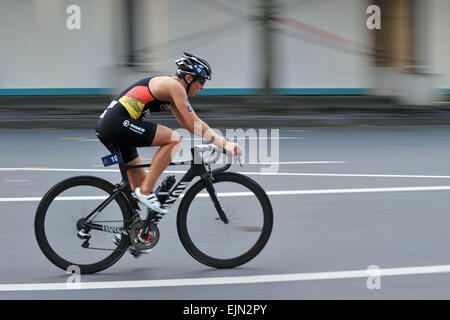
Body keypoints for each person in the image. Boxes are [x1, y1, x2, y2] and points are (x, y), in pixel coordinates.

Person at [95, 52, 242, 214]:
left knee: (136, 191)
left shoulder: (170, 86)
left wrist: (219, 140)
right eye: (201, 81)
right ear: (188, 78)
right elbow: (194, 123)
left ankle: (127, 235)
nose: (202, 86)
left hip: (112, 126)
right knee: (173, 139)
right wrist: (224, 143)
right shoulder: (175, 87)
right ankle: (145, 193)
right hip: (117, 124)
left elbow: (187, 123)